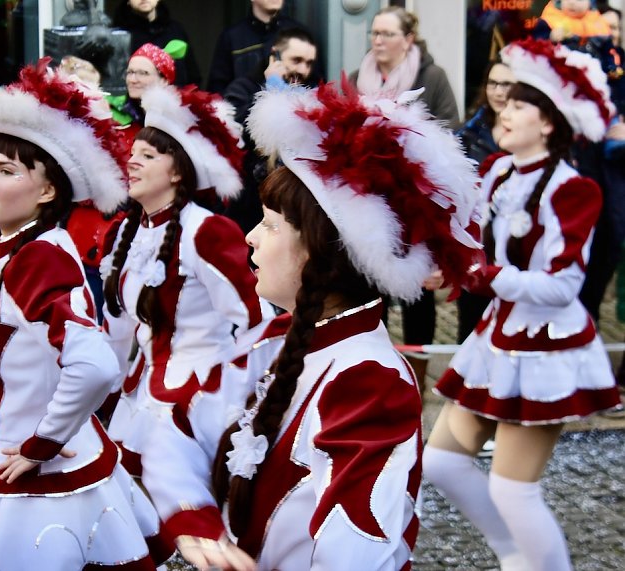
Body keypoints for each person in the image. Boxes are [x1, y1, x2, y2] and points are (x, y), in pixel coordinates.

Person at [140, 80, 482, 570]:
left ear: (323, 252)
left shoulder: (369, 379)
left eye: (272, 224)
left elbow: (359, 552)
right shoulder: (271, 340)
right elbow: (177, 432)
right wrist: (198, 525)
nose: (251, 237)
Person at [0, 61, 171, 569]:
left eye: (6, 170)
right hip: (30, 457)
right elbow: (38, 356)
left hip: (43, 488)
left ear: (47, 192)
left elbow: (95, 366)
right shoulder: (22, 248)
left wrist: (41, 443)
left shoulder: (38, 257)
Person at [424, 39, 622, 571]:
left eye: (517, 105)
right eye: (503, 102)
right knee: (441, 462)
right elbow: (468, 237)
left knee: (515, 492)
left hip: (544, 349)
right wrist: (442, 262)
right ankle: (517, 558)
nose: (503, 111)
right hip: (498, 338)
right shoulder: (496, 171)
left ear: (549, 123)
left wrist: (485, 276)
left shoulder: (572, 189)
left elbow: (562, 286)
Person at [102, 83, 270, 477]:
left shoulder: (206, 231)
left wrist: (230, 397)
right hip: (137, 399)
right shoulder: (124, 233)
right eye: (132, 154)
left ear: (178, 170)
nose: (132, 163)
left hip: (194, 404)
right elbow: (117, 331)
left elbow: (257, 321)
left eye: (147, 155)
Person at [350, 5, 461, 386]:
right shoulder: (357, 76)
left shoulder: (432, 76)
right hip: (370, 201)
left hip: (416, 200)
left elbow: (449, 132)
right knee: (369, 284)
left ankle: (417, 372)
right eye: (374, 33)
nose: (377, 41)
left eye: (386, 34)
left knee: (417, 290)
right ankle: (372, 371)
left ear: (408, 39)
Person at [223, 26, 318, 233]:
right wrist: (270, 88)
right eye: (296, 60)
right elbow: (234, 132)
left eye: (309, 63)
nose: (303, 70)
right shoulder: (243, 87)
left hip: (291, 209)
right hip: (248, 210)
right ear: (274, 55)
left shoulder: (310, 95)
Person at [455, 61, 516, 343]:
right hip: (475, 244)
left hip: (514, 244)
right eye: (493, 83)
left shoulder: (527, 132)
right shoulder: (470, 132)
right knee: (471, 325)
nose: (499, 92)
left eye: (506, 84)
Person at [207, 0, 312, 94]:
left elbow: (314, 86)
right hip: (243, 112)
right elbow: (217, 90)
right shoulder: (232, 37)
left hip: (291, 113)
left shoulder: (299, 34)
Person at [113, 0, 201, 87]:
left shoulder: (175, 30)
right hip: (133, 99)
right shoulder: (118, 36)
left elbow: (192, 75)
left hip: (175, 98)